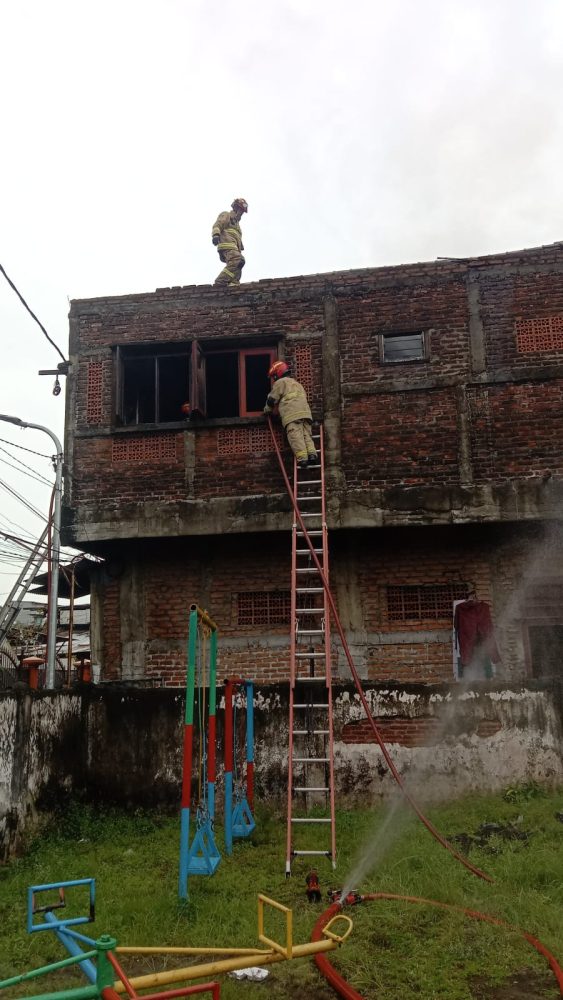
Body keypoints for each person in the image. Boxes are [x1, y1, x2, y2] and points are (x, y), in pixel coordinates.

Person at [263, 360, 318, 468]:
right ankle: (312, 455)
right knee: (306, 435)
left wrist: (267, 410)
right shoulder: (297, 384)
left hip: (292, 414)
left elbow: (272, 399)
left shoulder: (280, 383)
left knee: (295, 436)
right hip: (305, 413)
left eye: (274, 376)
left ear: (278, 373)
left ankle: (302, 459)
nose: (274, 379)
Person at [211, 198, 248, 285]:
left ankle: (233, 283)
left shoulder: (237, 225)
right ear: (235, 207)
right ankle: (220, 281)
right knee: (238, 259)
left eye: (242, 211)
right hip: (226, 244)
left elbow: (237, 238)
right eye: (240, 210)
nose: (241, 213)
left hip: (234, 247)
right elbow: (218, 224)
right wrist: (216, 235)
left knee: (239, 263)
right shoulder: (226, 215)